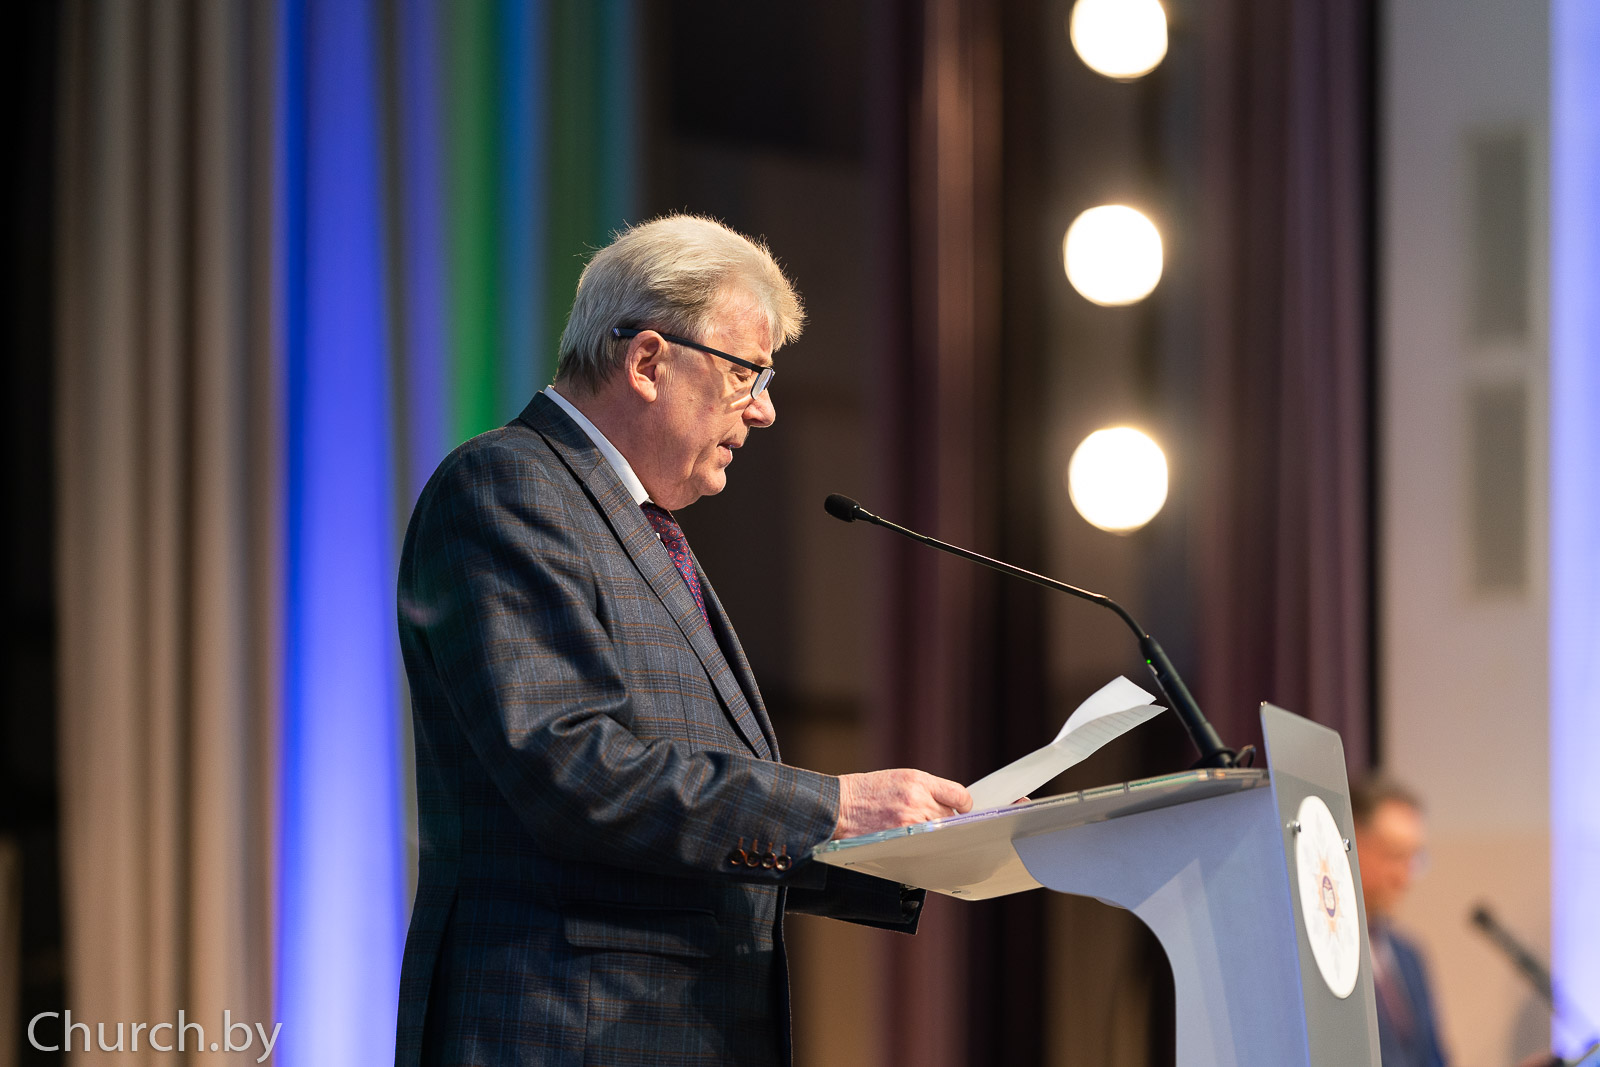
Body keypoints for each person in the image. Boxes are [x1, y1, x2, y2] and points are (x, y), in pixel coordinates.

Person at [393, 214, 974, 1067]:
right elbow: (570, 767)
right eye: (746, 373)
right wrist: (834, 806)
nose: (764, 410)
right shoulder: (507, 486)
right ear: (648, 362)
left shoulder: (639, 523)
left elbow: (688, 822)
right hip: (563, 1032)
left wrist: (910, 849)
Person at [1353, 776, 1449, 1067]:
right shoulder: (1323, 952)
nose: (1404, 877)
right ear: (1350, 841)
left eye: (1414, 858)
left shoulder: (1409, 955)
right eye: (1394, 855)